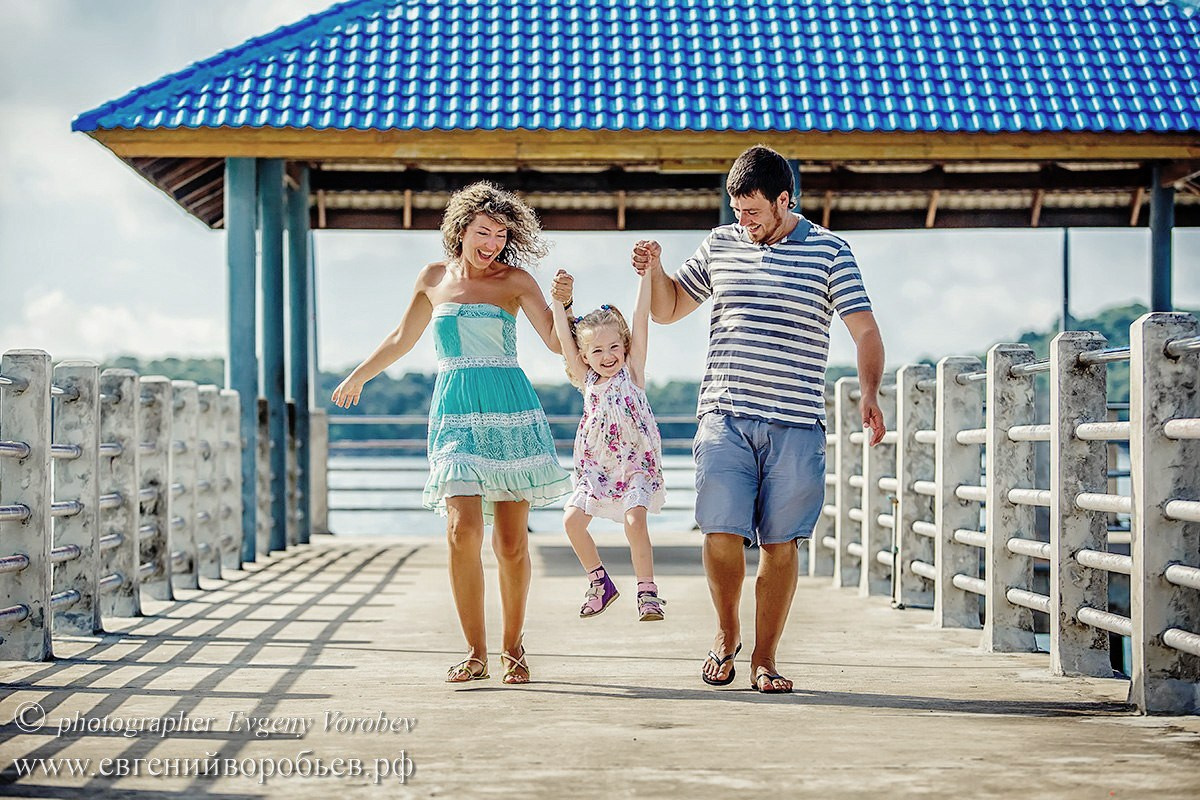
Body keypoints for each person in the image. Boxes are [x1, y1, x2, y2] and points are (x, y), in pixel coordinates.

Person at [631, 144, 886, 694]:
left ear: (783, 199)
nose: (741, 222)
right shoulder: (720, 245)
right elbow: (668, 309)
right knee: (720, 531)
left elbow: (864, 331)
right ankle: (726, 637)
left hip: (795, 421)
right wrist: (653, 271)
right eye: (735, 210)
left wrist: (869, 393)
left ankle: (765, 659)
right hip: (724, 413)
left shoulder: (829, 252)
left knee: (779, 543)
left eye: (751, 211)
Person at [331, 182, 573, 686]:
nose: (492, 244)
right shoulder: (432, 278)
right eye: (484, 232)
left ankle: (514, 646)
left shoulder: (515, 280)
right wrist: (360, 374)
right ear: (460, 229)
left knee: (511, 545)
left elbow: (554, 342)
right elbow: (402, 338)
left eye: (501, 235)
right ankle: (475, 651)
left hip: (509, 409)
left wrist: (563, 305)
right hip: (455, 414)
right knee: (462, 531)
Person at [548, 267, 667, 622]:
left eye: (614, 346)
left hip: (634, 465)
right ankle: (601, 583)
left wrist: (646, 276)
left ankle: (647, 593)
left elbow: (639, 317)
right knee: (571, 522)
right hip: (597, 468)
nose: (607, 355)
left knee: (635, 520)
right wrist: (557, 302)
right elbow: (565, 339)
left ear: (625, 346)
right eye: (597, 350)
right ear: (585, 357)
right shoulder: (586, 380)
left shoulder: (633, 371)